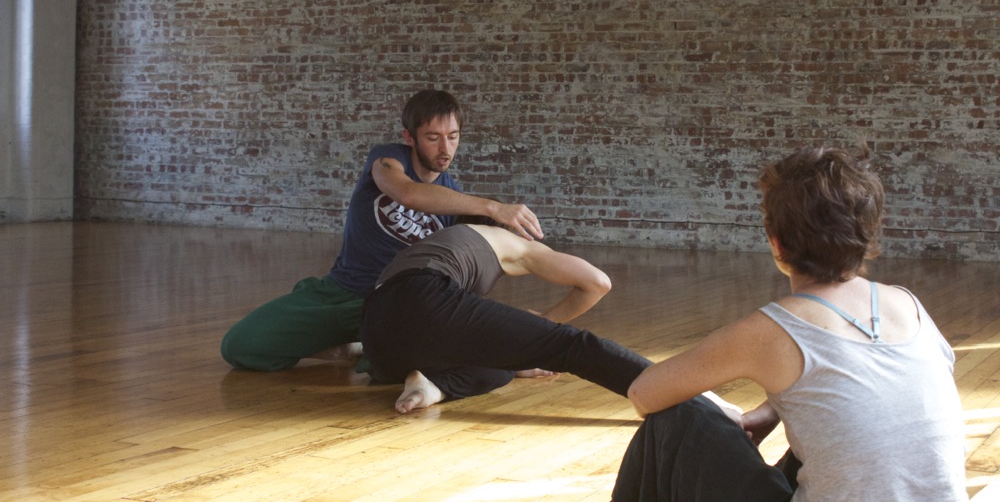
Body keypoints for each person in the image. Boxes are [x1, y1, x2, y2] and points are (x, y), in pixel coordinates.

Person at [611, 145, 969, 501]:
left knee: (680, 416)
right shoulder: (908, 304)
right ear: (867, 233)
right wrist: (775, 409)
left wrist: (722, 415)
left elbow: (644, 394)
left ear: (777, 243)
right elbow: (876, 395)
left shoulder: (774, 328)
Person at [220, 89, 544, 371]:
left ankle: (367, 350)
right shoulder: (387, 160)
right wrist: (493, 206)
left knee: (406, 362)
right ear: (410, 137)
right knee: (240, 346)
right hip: (343, 291)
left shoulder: (456, 200)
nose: (445, 148)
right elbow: (408, 193)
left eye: (453, 136)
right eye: (433, 138)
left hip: (393, 306)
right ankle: (340, 349)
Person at [359, 222, 653, 413]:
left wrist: (524, 350)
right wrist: (546, 323)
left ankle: (431, 386)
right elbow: (598, 282)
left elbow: (417, 318)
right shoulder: (510, 242)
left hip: (378, 342)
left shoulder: (436, 245)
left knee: (506, 366)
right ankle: (665, 388)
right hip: (422, 297)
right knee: (570, 345)